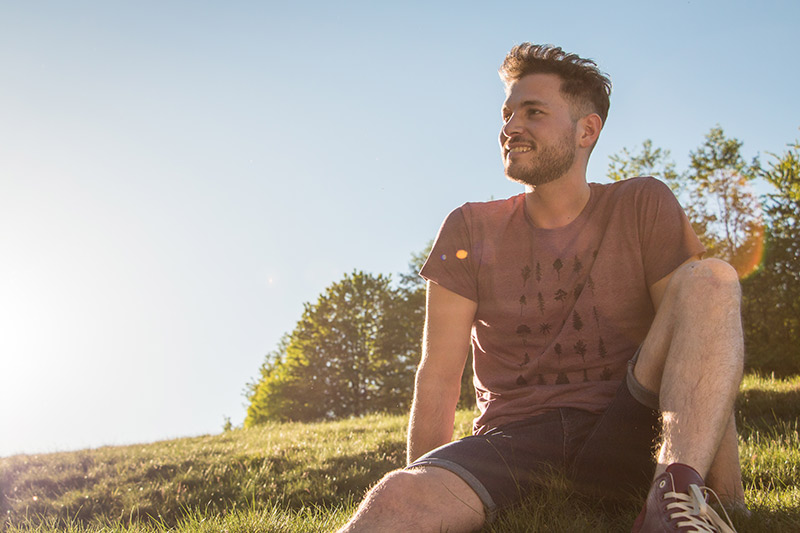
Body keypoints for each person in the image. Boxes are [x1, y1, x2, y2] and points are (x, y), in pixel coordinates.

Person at [337, 43, 744, 533]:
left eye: (533, 112)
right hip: (513, 442)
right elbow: (439, 374)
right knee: (397, 497)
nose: (511, 127)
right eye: (507, 113)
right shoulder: (468, 228)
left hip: (630, 427)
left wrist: (729, 498)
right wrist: (425, 476)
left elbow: (700, 335)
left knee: (711, 279)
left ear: (587, 130)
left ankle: (674, 500)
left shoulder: (642, 203)